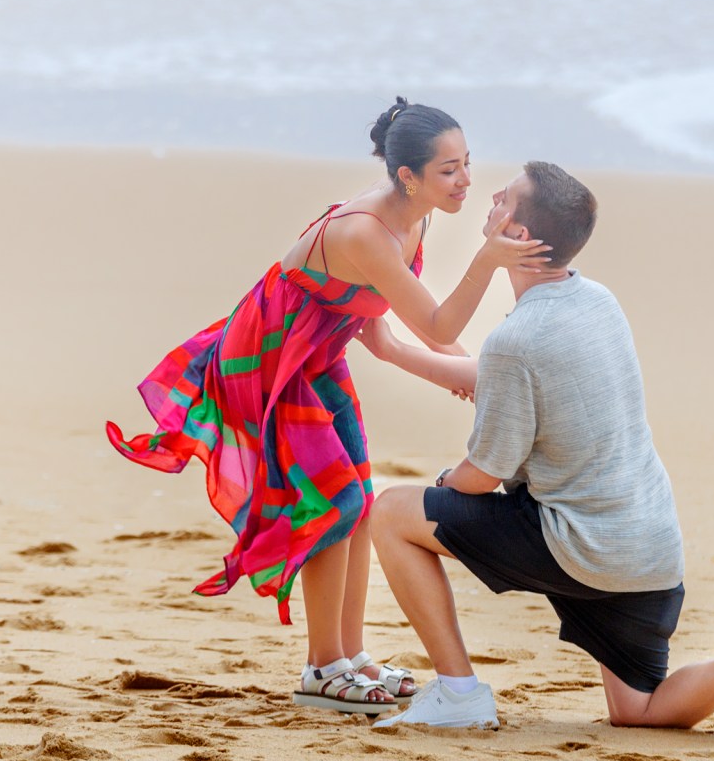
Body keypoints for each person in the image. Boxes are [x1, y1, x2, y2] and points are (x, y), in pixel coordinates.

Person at [104, 99, 551, 714]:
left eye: (467, 164)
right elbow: (436, 319)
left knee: (358, 500)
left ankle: (351, 656)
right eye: (448, 170)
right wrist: (485, 264)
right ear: (408, 176)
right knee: (333, 503)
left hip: (319, 355)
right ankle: (322, 667)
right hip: (270, 358)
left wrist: (461, 370)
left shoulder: (415, 216)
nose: (465, 181)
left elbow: (423, 324)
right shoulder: (365, 232)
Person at [358, 161, 714, 743]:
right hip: (649, 551)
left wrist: (445, 486)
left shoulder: (517, 341)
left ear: (518, 235)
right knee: (638, 711)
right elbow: (504, 376)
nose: (491, 195)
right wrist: (394, 351)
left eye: (506, 197)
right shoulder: (597, 301)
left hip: (584, 547)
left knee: (392, 514)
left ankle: (458, 693)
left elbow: (483, 473)